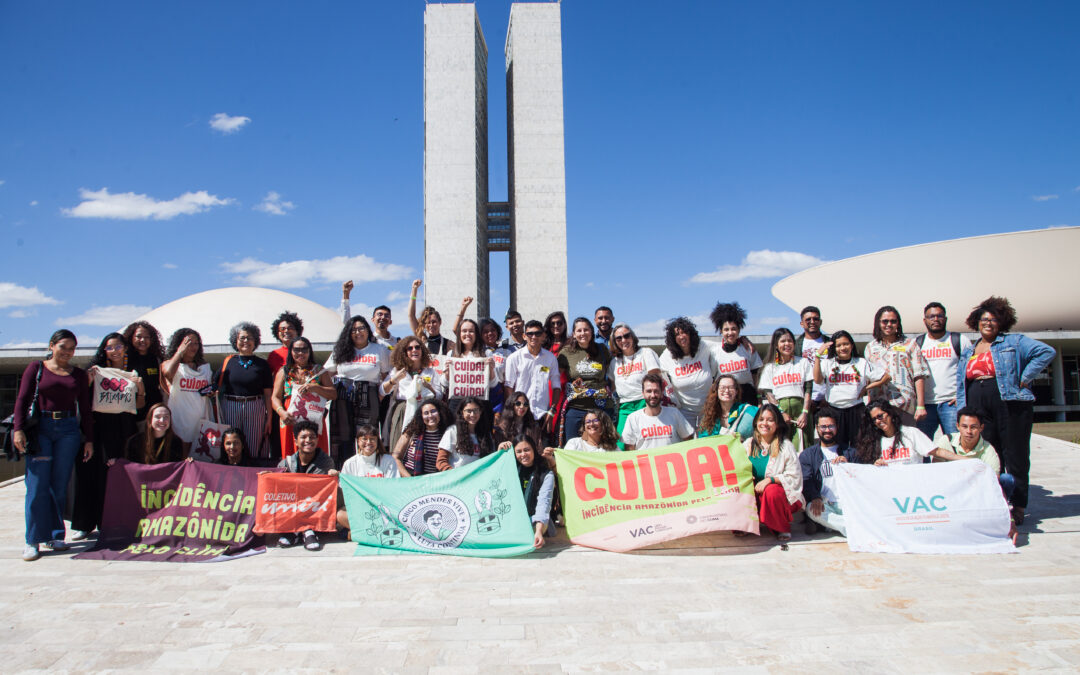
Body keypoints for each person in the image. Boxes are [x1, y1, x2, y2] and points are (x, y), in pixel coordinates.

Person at [956, 296, 1055, 525]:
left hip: (1009, 403)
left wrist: (1026, 377)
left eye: (993, 319)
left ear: (1001, 322)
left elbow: (1046, 352)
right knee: (990, 455)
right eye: (983, 319)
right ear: (976, 322)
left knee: (1016, 455)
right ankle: (996, 503)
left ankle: (1018, 506)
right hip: (979, 404)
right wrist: (963, 408)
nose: (988, 323)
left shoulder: (1014, 342)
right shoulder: (969, 349)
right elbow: (962, 380)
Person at [12, 330, 94, 561]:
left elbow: (85, 409)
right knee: (37, 486)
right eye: (63, 347)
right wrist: (18, 429)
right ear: (52, 345)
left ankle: (56, 535)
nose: (67, 352)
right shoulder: (36, 368)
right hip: (41, 429)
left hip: (68, 430)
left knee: (59, 485)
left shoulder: (78, 374)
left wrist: (89, 439)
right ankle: (33, 540)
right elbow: (22, 399)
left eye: (72, 348)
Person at [75, 333, 144, 539]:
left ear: (125, 348)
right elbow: (83, 400)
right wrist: (88, 382)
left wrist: (139, 386)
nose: (115, 350)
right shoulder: (95, 372)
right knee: (92, 473)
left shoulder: (131, 372)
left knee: (121, 473)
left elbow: (138, 406)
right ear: (103, 350)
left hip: (124, 427)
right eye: (110, 347)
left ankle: (116, 521)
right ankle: (86, 524)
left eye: (119, 346)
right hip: (99, 427)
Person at [325, 316, 391, 468]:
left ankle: (368, 471)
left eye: (361, 328)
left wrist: (380, 395)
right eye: (354, 329)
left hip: (369, 395)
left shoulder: (379, 350)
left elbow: (385, 376)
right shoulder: (340, 350)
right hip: (343, 395)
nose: (358, 332)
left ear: (368, 330)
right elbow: (326, 373)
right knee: (343, 437)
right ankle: (343, 472)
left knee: (367, 435)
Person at [813, 330, 889, 448]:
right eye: (838, 345)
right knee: (836, 447)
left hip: (856, 410)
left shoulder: (861, 363)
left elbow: (886, 377)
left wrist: (867, 387)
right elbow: (817, 380)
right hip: (835, 410)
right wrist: (818, 356)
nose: (842, 348)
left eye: (846, 344)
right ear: (834, 347)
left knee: (859, 446)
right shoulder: (827, 363)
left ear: (852, 345)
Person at [743, 404, 803, 544]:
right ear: (756, 422)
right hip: (755, 493)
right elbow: (736, 467)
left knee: (772, 491)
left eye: (770, 420)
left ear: (777, 424)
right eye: (761, 419)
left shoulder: (785, 446)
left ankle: (780, 527)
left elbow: (794, 475)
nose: (765, 423)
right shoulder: (748, 444)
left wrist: (770, 480)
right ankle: (745, 524)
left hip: (777, 497)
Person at [915, 302, 973, 440]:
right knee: (924, 447)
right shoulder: (918, 343)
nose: (936, 319)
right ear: (925, 320)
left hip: (951, 404)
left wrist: (962, 395)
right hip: (926, 405)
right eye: (931, 316)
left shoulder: (960, 340)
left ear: (945, 319)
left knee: (955, 443)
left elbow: (971, 370)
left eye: (939, 316)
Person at [271, 336, 336, 459]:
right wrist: (281, 412)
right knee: (291, 453)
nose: (300, 353)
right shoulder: (284, 371)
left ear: (309, 351)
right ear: (291, 351)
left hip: (313, 417)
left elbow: (333, 394)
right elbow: (275, 397)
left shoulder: (319, 371)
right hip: (289, 418)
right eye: (296, 350)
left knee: (316, 450)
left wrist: (315, 388)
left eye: (304, 350)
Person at [864, 306, 930, 425]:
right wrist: (869, 403)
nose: (889, 324)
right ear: (878, 323)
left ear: (898, 324)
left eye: (893, 321)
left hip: (904, 405)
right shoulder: (870, 347)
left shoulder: (910, 344)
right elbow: (869, 378)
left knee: (906, 441)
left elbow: (919, 375)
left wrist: (920, 406)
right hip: (879, 406)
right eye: (885, 321)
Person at [218, 322, 274, 464]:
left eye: (249, 338)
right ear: (235, 341)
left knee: (254, 445)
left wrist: (269, 418)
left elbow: (268, 394)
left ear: (255, 341)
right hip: (230, 405)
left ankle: (253, 475)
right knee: (231, 444)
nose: (246, 341)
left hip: (255, 406)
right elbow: (215, 385)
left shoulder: (262, 364)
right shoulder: (228, 362)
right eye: (242, 338)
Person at [275, 420, 334, 551]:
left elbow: (318, 492)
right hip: (292, 508)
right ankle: (298, 531)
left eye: (312, 437)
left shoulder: (326, 462)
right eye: (303, 437)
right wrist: (270, 476)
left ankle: (305, 530)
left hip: (315, 507)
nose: (308, 440)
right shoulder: (285, 464)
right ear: (295, 441)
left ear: (317, 440)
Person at [799, 408, 858, 536]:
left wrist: (848, 467)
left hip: (847, 502)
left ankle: (831, 526)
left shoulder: (850, 452)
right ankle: (853, 529)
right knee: (811, 509)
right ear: (816, 428)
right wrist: (815, 497)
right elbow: (806, 480)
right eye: (823, 426)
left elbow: (860, 478)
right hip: (825, 503)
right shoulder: (808, 455)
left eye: (831, 426)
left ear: (837, 427)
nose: (827, 430)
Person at [855, 400, 968, 467]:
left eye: (880, 416)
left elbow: (937, 451)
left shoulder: (911, 433)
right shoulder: (873, 442)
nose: (878, 421)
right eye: (874, 419)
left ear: (890, 413)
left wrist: (967, 461)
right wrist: (877, 466)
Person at [933, 407, 1015, 497]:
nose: (969, 431)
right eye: (964, 426)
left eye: (973, 427)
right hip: (951, 487)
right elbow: (936, 471)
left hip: (977, 489)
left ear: (981, 427)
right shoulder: (946, 441)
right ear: (957, 426)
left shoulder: (988, 449)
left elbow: (994, 479)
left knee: (1007, 479)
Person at [381, 335, 446, 448]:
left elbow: (439, 396)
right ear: (404, 352)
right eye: (409, 348)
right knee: (400, 446)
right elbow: (382, 391)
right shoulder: (397, 370)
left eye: (417, 347)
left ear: (422, 350)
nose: (414, 350)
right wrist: (394, 380)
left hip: (424, 413)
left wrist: (429, 387)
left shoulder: (430, 372)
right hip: (403, 411)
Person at [557, 318, 612, 444]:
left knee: (603, 446)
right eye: (579, 330)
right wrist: (541, 368)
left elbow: (610, 373)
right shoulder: (566, 352)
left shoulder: (602, 349)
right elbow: (554, 374)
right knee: (573, 446)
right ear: (574, 334)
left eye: (586, 330)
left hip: (600, 407)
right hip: (576, 407)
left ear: (592, 332)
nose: (583, 333)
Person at [756, 327, 813, 448]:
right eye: (783, 341)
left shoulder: (803, 362)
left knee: (804, 445)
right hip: (780, 410)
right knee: (782, 446)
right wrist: (781, 412)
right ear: (776, 345)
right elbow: (769, 394)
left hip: (801, 410)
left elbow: (808, 389)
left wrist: (805, 412)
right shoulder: (770, 368)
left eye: (790, 341)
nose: (787, 344)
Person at [336, 424, 400, 531]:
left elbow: (393, 487)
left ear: (377, 441)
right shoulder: (350, 463)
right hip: (360, 508)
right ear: (358, 441)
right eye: (364, 439)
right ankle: (370, 530)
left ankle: (362, 531)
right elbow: (346, 490)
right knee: (340, 515)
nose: (368, 442)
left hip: (384, 509)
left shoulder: (388, 460)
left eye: (372, 439)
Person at [658, 317, 719, 428]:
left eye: (684, 332)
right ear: (673, 338)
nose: (682, 336)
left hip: (709, 408)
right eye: (677, 334)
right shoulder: (667, 355)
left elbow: (723, 346)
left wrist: (743, 340)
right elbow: (656, 372)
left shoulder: (703, 347)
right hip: (684, 412)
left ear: (690, 333)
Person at [609, 323, 661, 448]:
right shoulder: (614, 362)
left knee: (646, 441)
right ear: (614, 342)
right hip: (625, 406)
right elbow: (612, 386)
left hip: (645, 403)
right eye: (619, 338)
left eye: (626, 336)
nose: (623, 340)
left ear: (632, 337)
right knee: (622, 445)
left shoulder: (645, 353)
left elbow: (656, 379)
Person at [161, 328, 212, 455]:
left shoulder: (204, 366)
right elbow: (168, 373)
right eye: (189, 343)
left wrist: (211, 392)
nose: (193, 346)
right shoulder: (170, 364)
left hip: (201, 418)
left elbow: (207, 388)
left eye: (196, 343)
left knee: (200, 457)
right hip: (180, 419)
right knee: (182, 456)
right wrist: (179, 353)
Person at [503, 320, 562, 425]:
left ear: (543, 336)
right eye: (530, 334)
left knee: (544, 442)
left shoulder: (551, 358)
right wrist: (514, 411)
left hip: (542, 415)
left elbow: (556, 386)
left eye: (537, 333)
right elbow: (509, 387)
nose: (534, 337)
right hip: (521, 415)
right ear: (524, 336)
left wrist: (552, 411)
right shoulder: (513, 358)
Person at [622, 373, 695, 451]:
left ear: (661, 393)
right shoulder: (633, 418)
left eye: (656, 391)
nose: (653, 395)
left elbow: (689, 440)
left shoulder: (674, 413)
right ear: (643, 393)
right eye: (649, 391)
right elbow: (629, 451)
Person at [709, 302, 763, 403]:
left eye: (733, 329)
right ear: (721, 331)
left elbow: (756, 376)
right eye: (726, 329)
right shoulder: (714, 352)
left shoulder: (748, 348)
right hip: (726, 396)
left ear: (739, 329)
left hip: (748, 396)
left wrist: (759, 397)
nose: (730, 333)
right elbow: (712, 380)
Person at [446, 317, 498, 414]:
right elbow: (444, 383)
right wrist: (447, 371)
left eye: (471, 331)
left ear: (476, 334)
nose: (467, 334)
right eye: (464, 331)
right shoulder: (451, 354)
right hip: (457, 405)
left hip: (480, 404)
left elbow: (493, 384)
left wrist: (491, 369)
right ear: (459, 334)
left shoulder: (486, 354)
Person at [511, 434, 555, 549]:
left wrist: (539, 531)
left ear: (534, 450)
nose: (523, 454)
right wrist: (500, 451)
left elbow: (544, 504)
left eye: (527, 450)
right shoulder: (510, 470)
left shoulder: (546, 474)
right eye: (519, 452)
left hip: (536, 520)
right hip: (514, 519)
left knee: (526, 533)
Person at [392, 399, 454, 477]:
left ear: (440, 413)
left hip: (437, 479)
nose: (430, 416)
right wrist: (408, 477)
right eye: (426, 413)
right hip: (411, 477)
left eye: (433, 411)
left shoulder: (448, 433)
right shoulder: (412, 431)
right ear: (421, 416)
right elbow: (395, 457)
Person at [122, 320, 165, 430]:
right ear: (131, 337)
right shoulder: (124, 359)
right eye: (139, 336)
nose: (143, 340)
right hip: (130, 412)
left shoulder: (156, 359)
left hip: (153, 411)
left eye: (147, 337)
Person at [436, 397, 494, 470]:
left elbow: (491, 458)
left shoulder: (486, 433)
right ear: (462, 412)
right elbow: (441, 461)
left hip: (479, 478)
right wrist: (453, 473)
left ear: (480, 412)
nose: (472, 414)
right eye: (468, 411)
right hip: (458, 479)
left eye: (476, 410)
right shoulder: (452, 431)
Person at [697, 375, 759, 442]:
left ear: (736, 391)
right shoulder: (709, 417)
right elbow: (703, 441)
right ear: (716, 390)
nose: (726, 391)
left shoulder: (748, 411)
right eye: (722, 387)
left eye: (731, 387)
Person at [339, 280, 399, 349]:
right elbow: (347, 323)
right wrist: (346, 295)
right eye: (379, 314)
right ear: (372, 320)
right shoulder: (367, 339)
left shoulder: (397, 342)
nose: (383, 317)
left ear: (390, 322)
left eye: (386, 315)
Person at [122, 403, 186, 465]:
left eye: (166, 417)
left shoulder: (176, 442)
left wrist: (188, 463)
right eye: (157, 417)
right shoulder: (134, 441)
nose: (162, 420)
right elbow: (128, 466)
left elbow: (178, 467)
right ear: (150, 419)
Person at [407, 279, 452, 357]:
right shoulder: (422, 340)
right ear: (424, 325)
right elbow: (411, 315)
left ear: (440, 322)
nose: (431, 325)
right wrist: (414, 290)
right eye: (428, 323)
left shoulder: (448, 344)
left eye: (434, 322)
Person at [479, 317, 511, 412]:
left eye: (493, 330)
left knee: (497, 424)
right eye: (485, 331)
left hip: (499, 393)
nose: (490, 333)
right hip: (481, 393)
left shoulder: (506, 352)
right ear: (480, 335)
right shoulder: (477, 352)